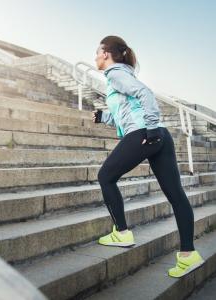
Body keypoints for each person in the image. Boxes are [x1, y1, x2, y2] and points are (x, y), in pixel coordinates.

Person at [92, 35, 204, 277]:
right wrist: (104, 117)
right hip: (158, 135)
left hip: (146, 133)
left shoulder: (114, 74)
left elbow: (145, 94)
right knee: (176, 195)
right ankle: (189, 254)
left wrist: (151, 128)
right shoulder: (124, 75)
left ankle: (121, 233)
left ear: (106, 53)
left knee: (105, 177)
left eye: (97, 52)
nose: (95, 57)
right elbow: (127, 113)